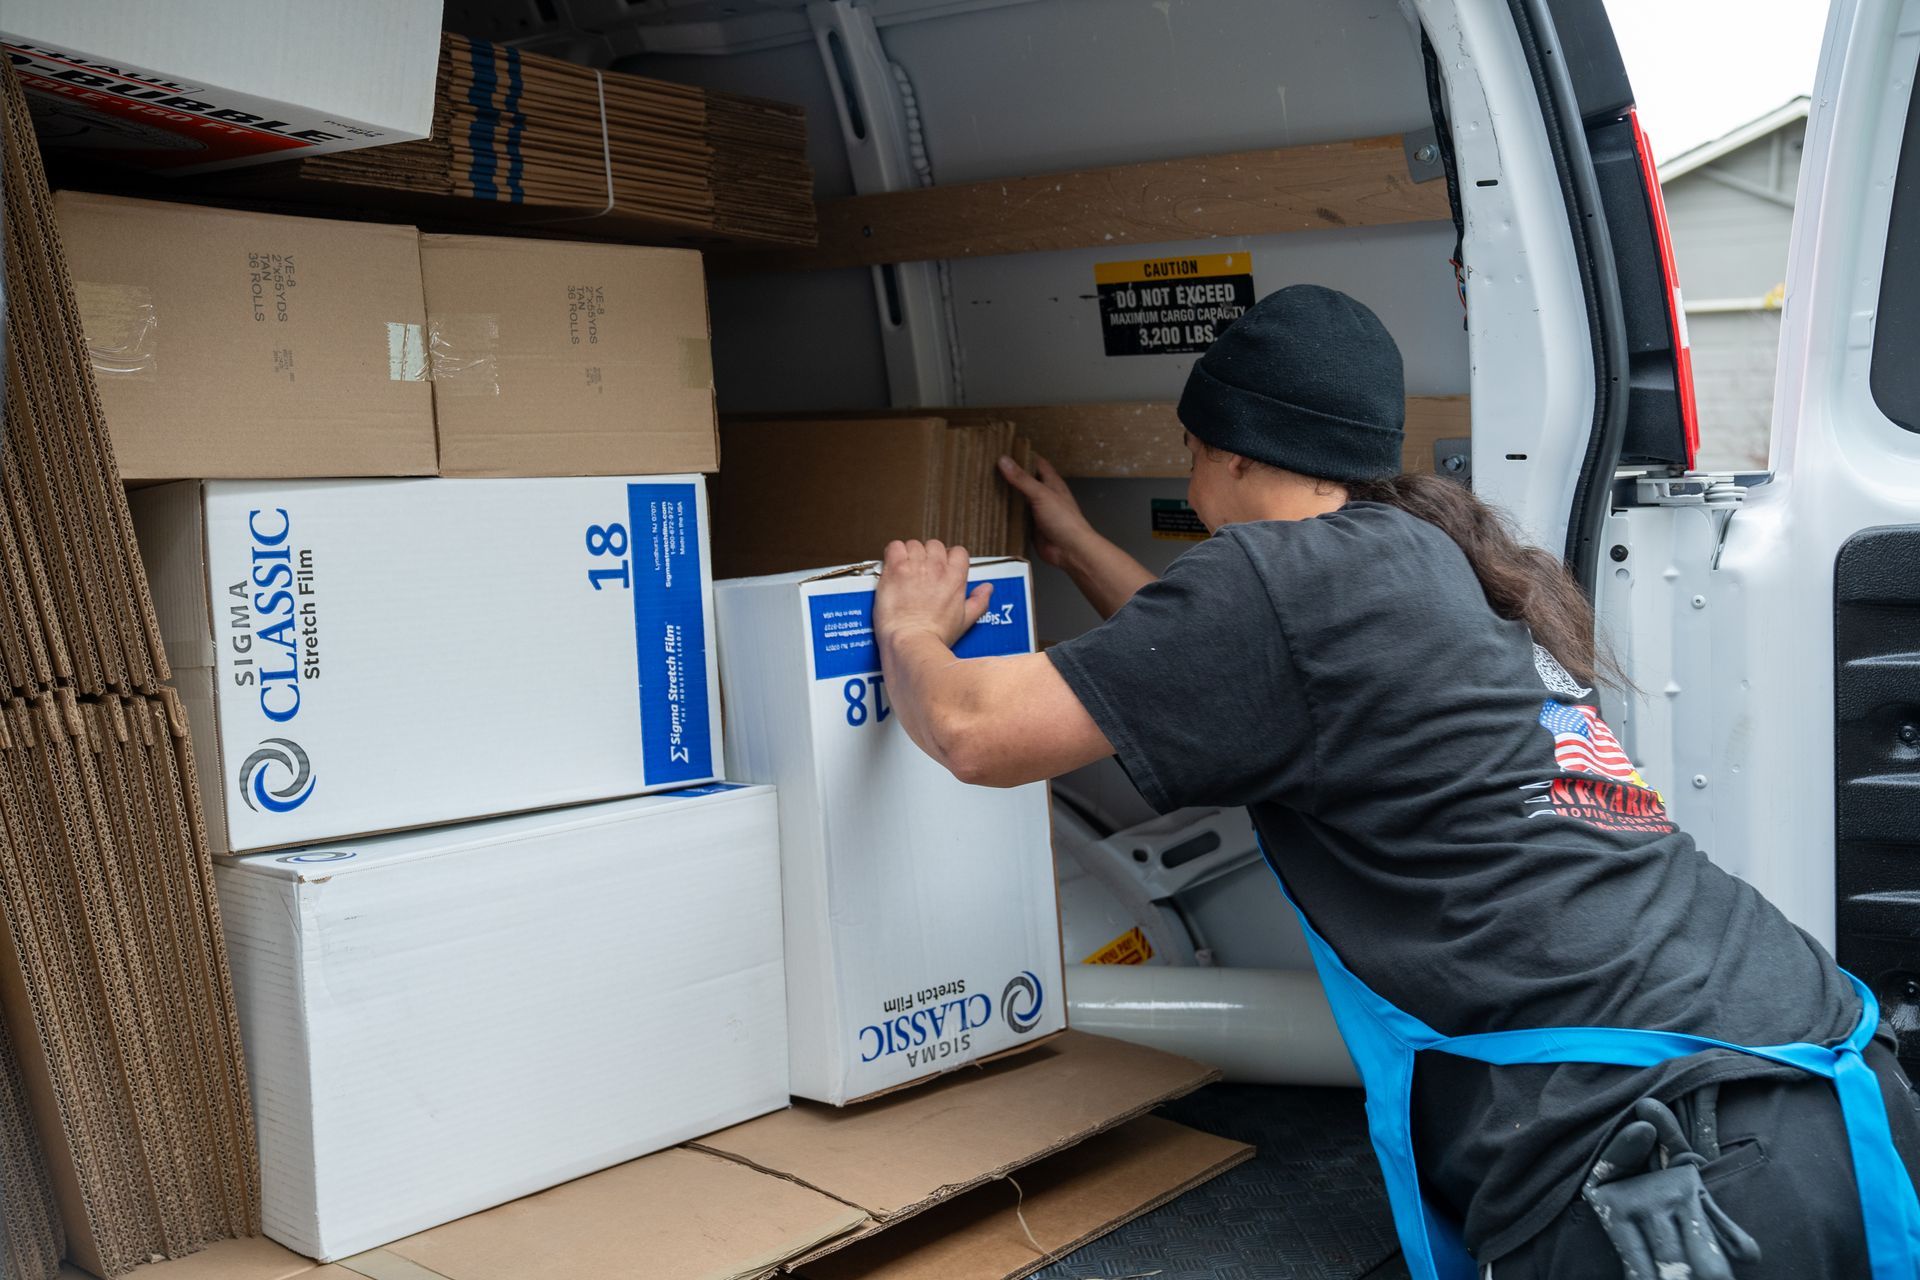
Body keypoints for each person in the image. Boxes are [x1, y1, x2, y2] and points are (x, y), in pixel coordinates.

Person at [869, 284, 1920, 1280]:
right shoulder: (1420, 554)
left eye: (1188, 453)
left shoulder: (1273, 579)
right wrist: (1077, 545)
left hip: (1664, 1152)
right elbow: (1209, 671)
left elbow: (972, 730)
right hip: (1809, 1072)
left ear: (1225, 452)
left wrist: (910, 624)